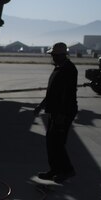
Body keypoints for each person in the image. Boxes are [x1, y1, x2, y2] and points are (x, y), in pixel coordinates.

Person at [34, 42, 78, 183]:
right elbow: (52, 92)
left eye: (53, 55)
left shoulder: (69, 69)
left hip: (63, 112)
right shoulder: (58, 68)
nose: (52, 57)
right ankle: (54, 170)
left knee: (58, 143)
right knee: (51, 142)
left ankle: (67, 170)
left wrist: (61, 115)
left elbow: (66, 94)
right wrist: (41, 106)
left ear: (61, 55)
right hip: (55, 111)